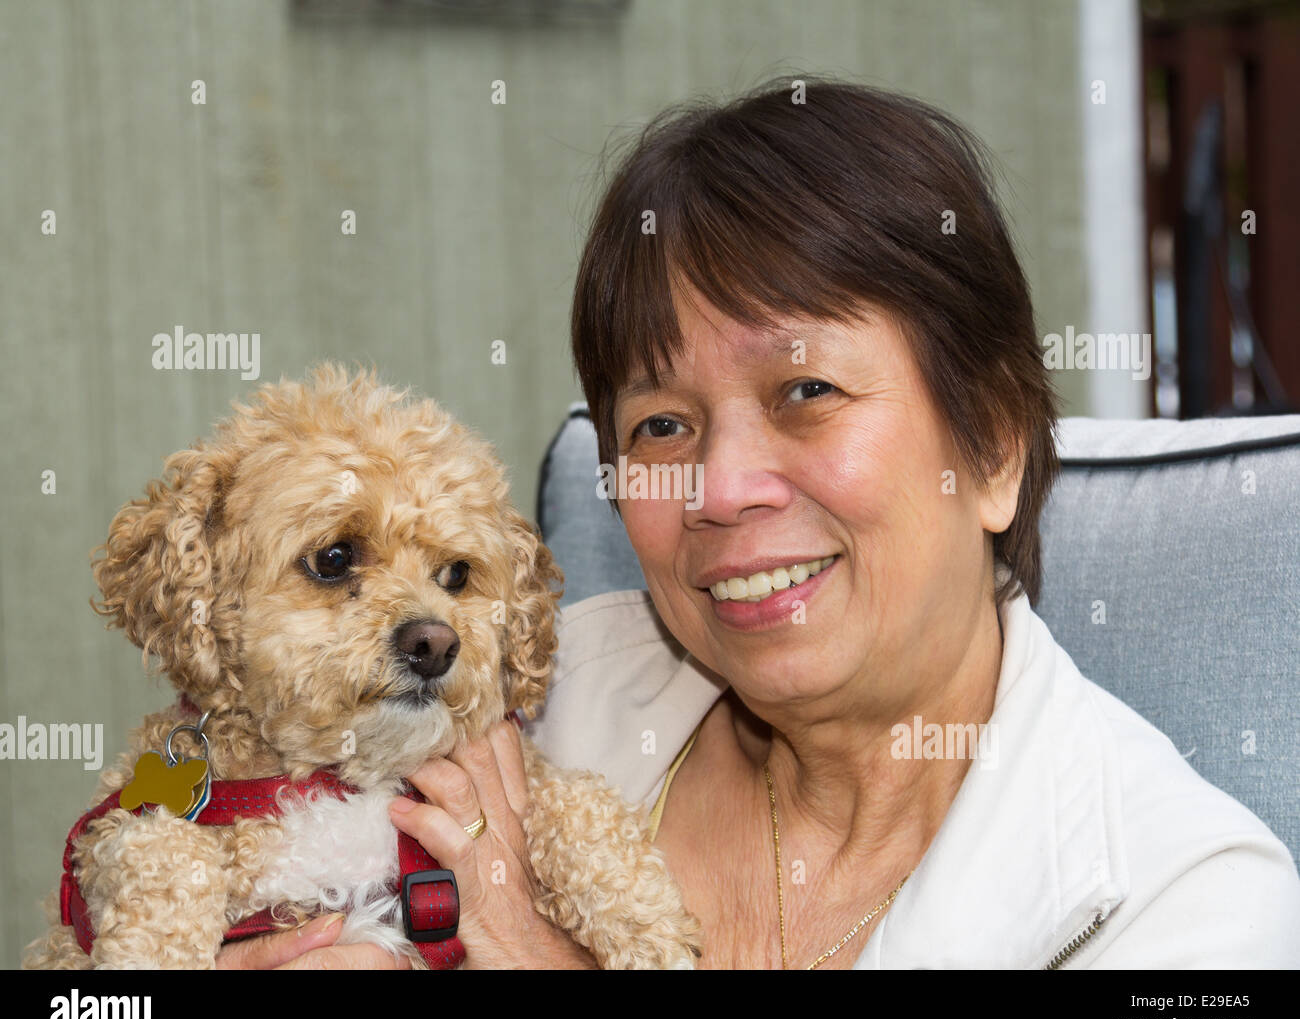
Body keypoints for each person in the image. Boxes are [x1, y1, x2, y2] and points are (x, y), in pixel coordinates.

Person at [221, 79, 1300, 970]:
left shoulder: (1191, 909)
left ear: (993, 449)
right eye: (660, 425)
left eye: (806, 392)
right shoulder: (511, 698)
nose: (721, 488)